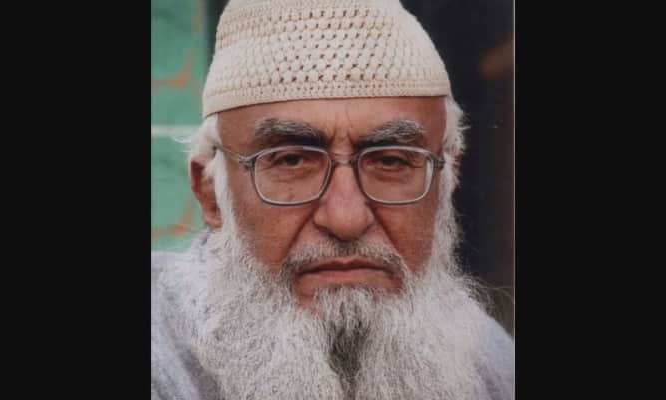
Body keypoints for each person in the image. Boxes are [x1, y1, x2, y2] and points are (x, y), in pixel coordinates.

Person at [151, 0, 515, 399]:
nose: (346, 218)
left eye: (390, 161)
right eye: (291, 160)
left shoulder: (489, 363)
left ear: (448, 183)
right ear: (210, 194)